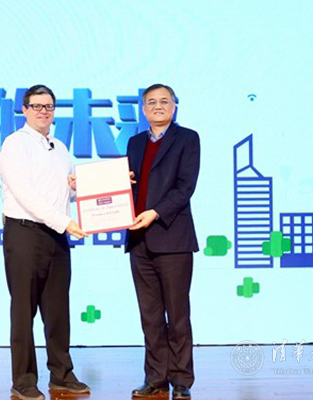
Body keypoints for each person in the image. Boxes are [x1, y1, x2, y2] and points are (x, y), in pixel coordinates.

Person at [0, 84, 90, 400]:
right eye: (36, 106)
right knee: (23, 309)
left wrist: (79, 188)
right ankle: (23, 380)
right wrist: (64, 222)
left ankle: (61, 374)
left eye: (48, 106)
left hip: (56, 235)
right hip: (25, 233)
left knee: (57, 309)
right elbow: (25, 193)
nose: (43, 111)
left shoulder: (60, 147)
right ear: (24, 110)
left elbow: (62, 194)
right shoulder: (15, 144)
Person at [125, 84, 201, 399]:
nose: (158, 106)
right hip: (138, 240)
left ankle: (181, 380)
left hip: (173, 238)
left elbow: (185, 187)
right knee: (151, 316)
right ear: (144, 109)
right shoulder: (134, 143)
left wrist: (155, 213)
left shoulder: (188, 139)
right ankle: (156, 378)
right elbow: (126, 185)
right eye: (152, 102)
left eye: (164, 101)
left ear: (174, 106)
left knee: (177, 315)